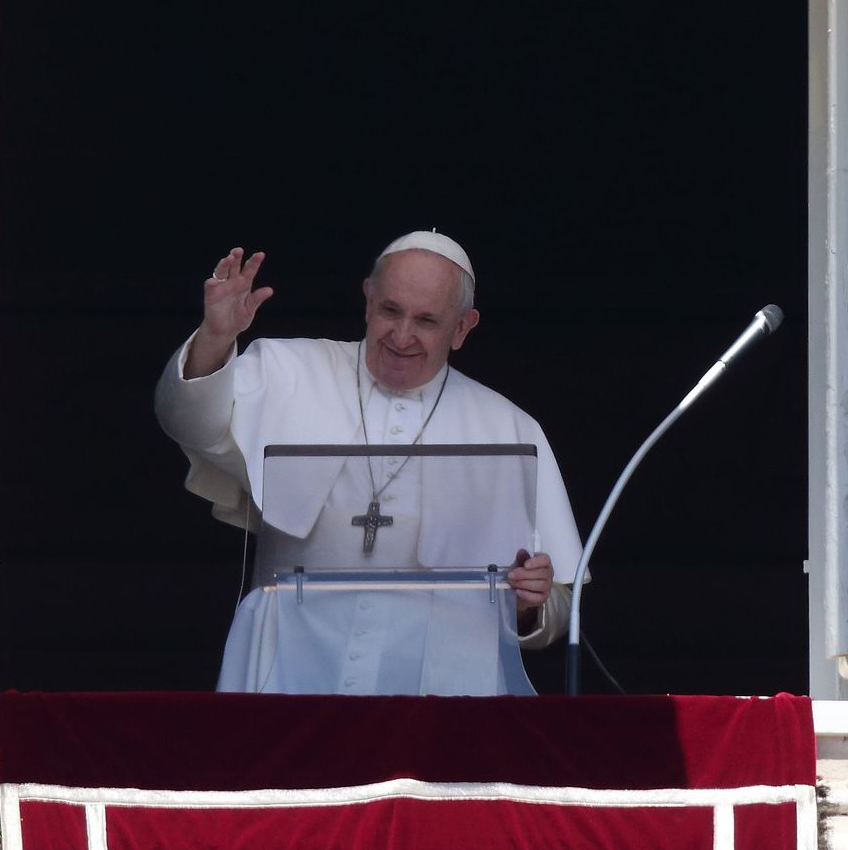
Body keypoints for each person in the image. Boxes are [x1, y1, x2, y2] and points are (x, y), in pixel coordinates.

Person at [155, 231, 582, 694]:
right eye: (390, 311)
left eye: (426, 320)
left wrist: (528, 605)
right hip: (293, 663)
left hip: (440, 681)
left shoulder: (509, 429)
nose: (401, 336)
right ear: (368, 299)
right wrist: (217, 337)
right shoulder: (288, 368)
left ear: (462, 327)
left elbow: (556, 605)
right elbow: (189, 423)